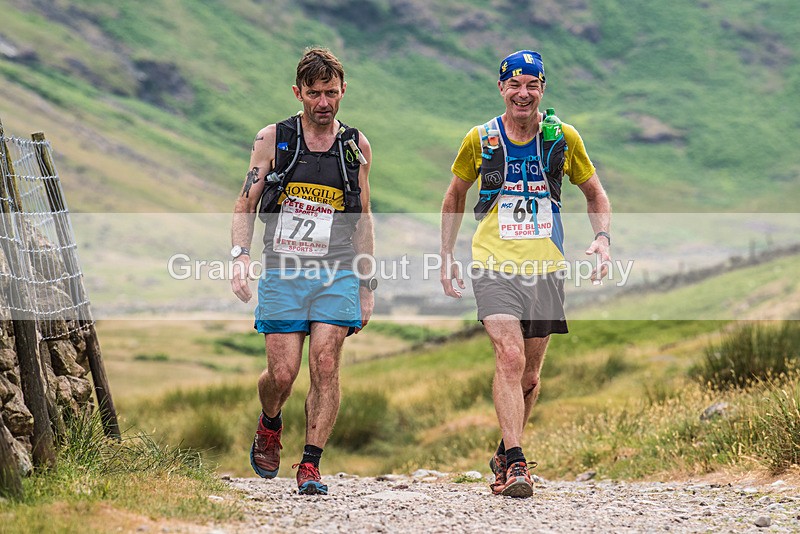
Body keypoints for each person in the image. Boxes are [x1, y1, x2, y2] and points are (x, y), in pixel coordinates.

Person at [439, 50, 611, 498]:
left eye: (531, 85)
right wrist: (445, 254)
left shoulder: (563, 138)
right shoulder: (481, 139)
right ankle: (516, 465)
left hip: (546, 268)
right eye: (514, 85)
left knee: (530, 377)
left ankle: (503, 450)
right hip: (494, 265)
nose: (522, 93)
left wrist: (603, 239)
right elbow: (454, 196)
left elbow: (595, 193)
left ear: (542, 89)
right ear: (501, 89)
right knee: (509, 359)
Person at [230, 47, 376, 495]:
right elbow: (245, 203)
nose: (324, 103)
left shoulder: (356, 145)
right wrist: (240, 255)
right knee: (282, 374)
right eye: (314, 93)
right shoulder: (273, 139)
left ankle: (310, 463)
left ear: (343, 91)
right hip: (283, 270)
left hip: (337, 271)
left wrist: (368, 284)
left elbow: (364, 216)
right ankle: (270, 423)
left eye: (331, 93)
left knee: (326, 363)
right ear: (298, 92)